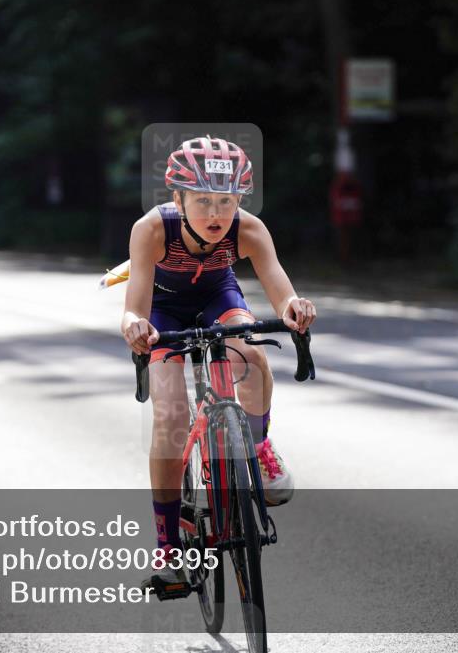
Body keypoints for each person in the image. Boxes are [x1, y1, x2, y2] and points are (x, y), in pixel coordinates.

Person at [120, 136, 316, 585]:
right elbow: (134, 305)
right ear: (178, 199)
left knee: (249, 352)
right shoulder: (151, 229)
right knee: (170, 416)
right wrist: (134, 325)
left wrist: (294, 307)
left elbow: (279, 286)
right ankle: (169, 546)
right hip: (163, 311)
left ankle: (261, 448)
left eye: (225, 201)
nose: (215, 213)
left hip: (217, 297)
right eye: (203, 201)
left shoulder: (248, 229)